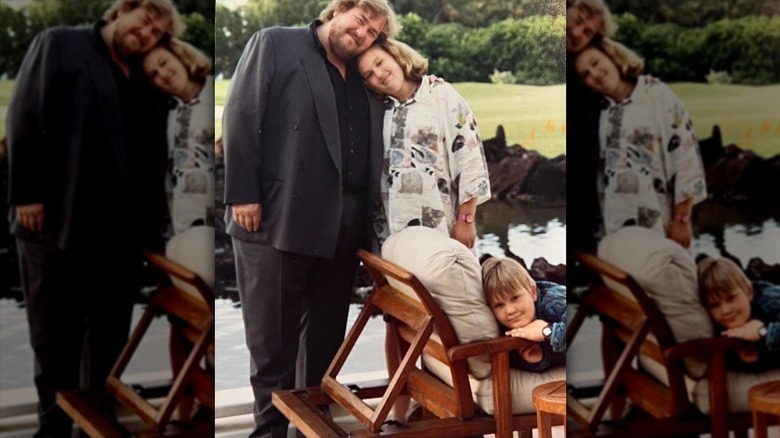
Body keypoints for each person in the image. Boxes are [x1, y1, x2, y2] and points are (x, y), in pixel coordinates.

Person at [221, 1, 399, 436]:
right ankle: (268, 433)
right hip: (277, 219)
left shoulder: (363, 71)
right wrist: (243, 193)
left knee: (323, 345)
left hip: (344, 225)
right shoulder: (276, 43)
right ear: (337, 10)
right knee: (272, 349)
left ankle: (310, 430)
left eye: (374, 33)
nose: (363, 35)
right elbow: (241, 116)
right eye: (361, 22)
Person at [6, 0, 181, 436]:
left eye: (157, 35)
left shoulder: (139, 71)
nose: (147, 36)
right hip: (53, 226)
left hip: (119, 235)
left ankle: (93, 427)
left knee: (107, 343)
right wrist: (27, 195)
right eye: (145, 23)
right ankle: (53, 429)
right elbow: (25, 115)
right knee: (52, 342)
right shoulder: (61, 43)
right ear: (122, 10)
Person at [356, 38, 491, 249]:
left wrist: (466, 221)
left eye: (380, 62)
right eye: (369, 75)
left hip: (442, 230)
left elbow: (470, 160)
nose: (379, 74)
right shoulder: (376, 109)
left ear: (395, 55)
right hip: (392, 235)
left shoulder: (440, 96)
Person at [573, 38, 707, 249]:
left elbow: (685, 158)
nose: (595, 75)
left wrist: (682, 220)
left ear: (611, 55)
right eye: (585, 75)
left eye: (595, 63)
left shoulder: (656, 95)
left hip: (661, 226)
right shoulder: (599, 112)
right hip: (614, 232)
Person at [143, 38, 215, 236]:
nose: (164, 75)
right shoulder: (162, 112)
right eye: (153, 75)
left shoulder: (217, 95)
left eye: (164, 63)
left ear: (180, 55)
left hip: (216, 230)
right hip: (178, 230)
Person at [481, 257, 566, 373]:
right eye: (499, 305)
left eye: (515, 298)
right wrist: (537, 360)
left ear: (533, 292)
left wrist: (548, 331)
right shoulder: (504, 330)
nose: (510, 310)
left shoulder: (555, 302)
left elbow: (585, 334)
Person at [697, 257, 780, 372]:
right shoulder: (710, 324)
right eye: (715, 305)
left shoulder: (771, 302)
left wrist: (763, 331)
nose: (726, 310)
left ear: (749, 292)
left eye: (731, 298)